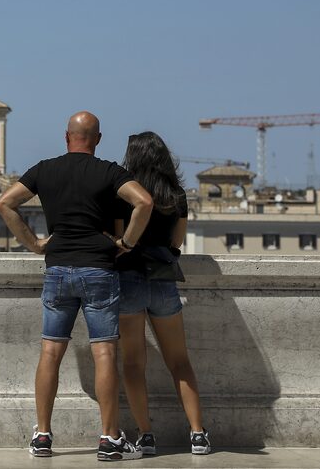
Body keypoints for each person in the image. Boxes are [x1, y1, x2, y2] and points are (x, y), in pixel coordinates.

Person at [0, 111, 153, 461]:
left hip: (57, 270)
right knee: (105, 353)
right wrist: (126, 242)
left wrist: (35, 244)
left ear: (66, 137)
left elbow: (4, 203)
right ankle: (110, 438)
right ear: (97, 139)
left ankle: (42, 435)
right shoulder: (110, 171)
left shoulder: (45, 169)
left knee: (50, 351)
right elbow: (144, 202)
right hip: (99, 270)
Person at [114, 131, 211, 456]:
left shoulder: (124, 192)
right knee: (179, 361)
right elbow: (177, 243)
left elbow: (118, 237)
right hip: (162, 278)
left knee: (132, 363)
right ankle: (197, 434)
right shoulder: (176, 194)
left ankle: (146, 435)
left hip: (128, 277)